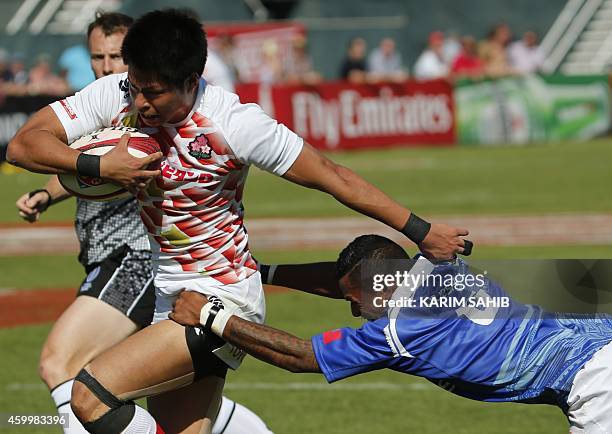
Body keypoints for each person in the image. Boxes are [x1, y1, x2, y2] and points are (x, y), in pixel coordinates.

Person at [7, 9, 469, 433]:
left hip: (223, 296)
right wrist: (100, 167)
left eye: (155, 92)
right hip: (170, 294)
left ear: (191, 80)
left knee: (91, 397)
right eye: (136, 86)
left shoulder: (236, 124)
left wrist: (422, 231)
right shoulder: (118, 91)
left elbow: (333, 177)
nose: (141, 103)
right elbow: (24, 145)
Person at [14, 11, 272, 434]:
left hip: (137, 261)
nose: (106, 65)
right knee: (162, 394)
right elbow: (90, 170)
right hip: (109, 258)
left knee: (63, 364)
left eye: (116, 55)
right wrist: (49, 192)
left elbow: (132, 165)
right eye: (97, 55)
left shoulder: (144, 110)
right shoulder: (107, 102)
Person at [172, 234, 612, 434]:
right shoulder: (436, 265)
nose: (353, 311)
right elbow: (345, 278)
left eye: (355, 300)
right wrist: (260, 270)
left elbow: (304, 356)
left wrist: (213, 316)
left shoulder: (401, 331)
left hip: (593, 384)